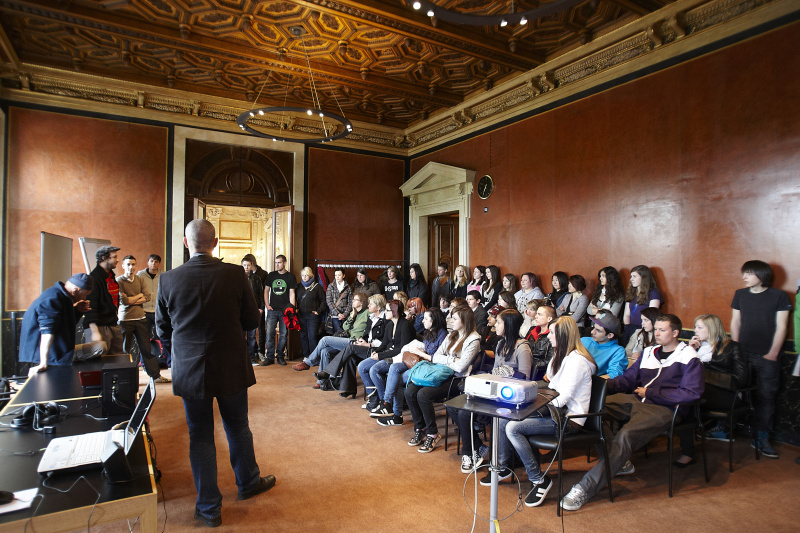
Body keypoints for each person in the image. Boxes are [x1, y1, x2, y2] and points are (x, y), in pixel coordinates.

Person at [156, 219, 274, 528]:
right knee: (237, 428)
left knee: (200, 436)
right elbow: (251, 321)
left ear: (186, 243)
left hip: (189, 369)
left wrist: (176, 353)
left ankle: (209, 508)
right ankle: (248, 484)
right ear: (216, 242)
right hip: (231, 365)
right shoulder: (235, 274)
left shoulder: (168, 279)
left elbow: (161, 329)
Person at [561, 314, 703, 512]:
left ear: (675, 333)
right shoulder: (649, 352)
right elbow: (627, 380)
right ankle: (620, 462)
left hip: (665, 409)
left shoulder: (689, 357)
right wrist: (593, 384)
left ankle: (586, 488)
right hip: (637, 399)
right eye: (656, 329)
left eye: (662, 330)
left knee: (626, 435)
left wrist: (651, 392)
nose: (656, 333)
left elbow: (691, 393)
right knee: (591, 410)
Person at [483, 317, 596, 508]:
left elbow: (562, 398)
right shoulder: (561, 355)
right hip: (554, 410)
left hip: (568, 419)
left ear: (563, 335)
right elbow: (551, 384)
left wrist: (532, 405)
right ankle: (503, 467)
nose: (548, 336)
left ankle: (539, 480)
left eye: (552, 333)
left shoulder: (577, 361)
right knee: (504, 417)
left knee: (513, 428)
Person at [455, 309, 532, 473]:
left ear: (508, 326)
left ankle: (474, 454)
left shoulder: (523, 347)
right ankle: (476, 449)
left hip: (511, 398)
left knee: (464, 413)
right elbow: (496, 372)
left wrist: (508, 373)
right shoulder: (500, 344)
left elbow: (525, 378)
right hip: (495, 392)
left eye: (498, 322)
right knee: (456, 407)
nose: (495, 325)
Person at [730, 260, 791, 458]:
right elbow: (735, 322)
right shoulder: (740, 294)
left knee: (766, 398)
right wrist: (736, 351)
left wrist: (772, 354)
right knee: (735, 393)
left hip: (767, 357)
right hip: (743, 355)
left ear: (761, 274)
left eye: (748, 273)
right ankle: (727, 430)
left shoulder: (779, 296)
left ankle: (761, 438)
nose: (744, 277)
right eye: (744, 273)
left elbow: (782, 326)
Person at [673, 314, 748, 466]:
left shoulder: (732, 347)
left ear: (712, 329)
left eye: (700, 327)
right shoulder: (697, 348)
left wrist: (704, 371)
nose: (695, 330)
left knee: (688, 396)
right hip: (701, 392)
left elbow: (741, 379)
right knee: (685, 400)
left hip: (728, 394)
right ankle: (687, 451)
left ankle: (688, 450)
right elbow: (678, 371)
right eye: (695, 327)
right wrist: (690, 351)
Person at [405, 304, 481, 453]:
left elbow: (461, 368)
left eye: (454, 318)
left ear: (464, 320)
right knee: (410, 391)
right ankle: (420, 427)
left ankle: (433, 434)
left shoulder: (473, 340)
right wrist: (452, 360)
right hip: (440, 372)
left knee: (423, 394)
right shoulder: (451, 335)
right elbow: (436, 356)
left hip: (457, 380)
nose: (450, 321)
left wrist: (447, 359)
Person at [365, 307, 448, 425]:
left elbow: (438, 358)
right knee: (394, 368)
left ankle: (395, 413)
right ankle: (387, 403)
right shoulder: (428, 332)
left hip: (430, 368)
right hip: (420, 362)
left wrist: (420, 353)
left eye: (425, 318)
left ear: (434, 320)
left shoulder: (443, 335)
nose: (422, 321)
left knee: (397, 378)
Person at [19, 273, 104, 375]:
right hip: (50, 355)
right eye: (85, 294)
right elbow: (47, 333)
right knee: (100, 347)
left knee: (101, 346)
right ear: (75, 290)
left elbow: (63, 325)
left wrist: (77, 311)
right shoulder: (52, 299)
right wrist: (43, 363)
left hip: (59, 351)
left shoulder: (62, 297)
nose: (85, 298)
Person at [349, 299, 416, 404]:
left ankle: (383, 401)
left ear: (395, 312)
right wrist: (376, 352)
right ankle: (373, 398)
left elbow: (402, 349)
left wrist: (380, 355)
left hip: (398, 358)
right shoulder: (389, 324)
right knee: (362, 366)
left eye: (387, 310)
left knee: (374, 370)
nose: (385, 312)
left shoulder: (405, 325)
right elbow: (384, 344)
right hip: (387, 355)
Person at [117, 255, 169, 383]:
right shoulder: (119, 281)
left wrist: (132, 299)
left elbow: (147, 296)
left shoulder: (139, 280)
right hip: (125, 320)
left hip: (140, 318)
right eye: (128, 264)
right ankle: (123, 378)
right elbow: (124, 301)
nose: (131, 267)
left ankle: (155, 376)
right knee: (124, 351)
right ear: (123, 266)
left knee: (147, 349)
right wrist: (137, 297)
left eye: (133, 264)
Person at [303, 291, 372, 386]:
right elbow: (345, 327)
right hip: (347, 339)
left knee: (325, 340)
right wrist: (352, 316)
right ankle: (321, 382)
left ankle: (308, 362)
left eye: (355, 300)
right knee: (325, 351)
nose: (353, 301)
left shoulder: (367, 313)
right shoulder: (354, 312)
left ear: (361, 302)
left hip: (355, 342)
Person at [85, 244, 124, 354]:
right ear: (104, 258)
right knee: (100, 363)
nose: (117, 260)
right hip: (100, 327)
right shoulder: (94, 278)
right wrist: (94, 331)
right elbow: (90, 307)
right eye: (114, 257)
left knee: (116, 360)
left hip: (113, 323)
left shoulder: (110, 276)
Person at [262, 254, 297, 366]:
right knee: (269, 334)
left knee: (283, 334)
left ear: (284, 263)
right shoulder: (271, 275)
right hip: (272, 310)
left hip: (284, 311)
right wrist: (267, 305)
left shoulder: (290, 277)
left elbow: (292, 293)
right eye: (276, 262)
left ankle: (281, 356)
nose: (277, 264)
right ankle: (270, 357)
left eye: (279, 262)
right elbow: (266, 291)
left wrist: (291, 308)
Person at [137, 254, 169, 368]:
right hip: (144, 310)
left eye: (156, 261)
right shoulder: (140, 275)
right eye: (151, 261)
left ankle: (166, 361)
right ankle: (144, 362)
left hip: (158, 311)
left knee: (163, 336)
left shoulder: (163, 275)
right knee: (144, 339)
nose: (153, 264)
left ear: (159, 263)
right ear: (148, 262)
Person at [580, 310, 628, 378]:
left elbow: (614, 375)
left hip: (591, 385)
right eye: (594, 328)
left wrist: (588, 382)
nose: (592, 332)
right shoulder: (583, 340)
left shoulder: (618, 351)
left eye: (598, 330)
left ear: (610, 335)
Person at [622, 265, 661, 344]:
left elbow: (651, 315)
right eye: (631, 276)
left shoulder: (653, 293)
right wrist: (628, 327)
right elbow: (626, 314)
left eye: (634, 276)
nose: (631, 279)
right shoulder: (631, 293)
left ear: (643, 278)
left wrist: (642, 330)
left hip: (643, 329)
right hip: (630, 328)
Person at [295, 266, 327, 361]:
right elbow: (295, 299)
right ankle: (306, 356)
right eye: (303, 275)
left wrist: (318, 311)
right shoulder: (298, 286)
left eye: (306, 275)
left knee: (312, 336)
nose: (304, 277)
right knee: (303, 336)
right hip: (301, 315)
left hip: (313, 316)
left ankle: (314, 357)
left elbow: (323, 301)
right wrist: (295, 308)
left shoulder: (317, 287)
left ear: (311, 276)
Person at [242, 256, 265, 366]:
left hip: (253, 310)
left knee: (251, 336)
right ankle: (241, 359)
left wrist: (261, 307)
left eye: (248, 265)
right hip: (241, 311)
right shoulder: (237, 278)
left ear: (252, 266)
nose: (246, 267)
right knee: (241, 336)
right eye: (244, 265)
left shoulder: (256, 279)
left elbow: (261, 295)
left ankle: (252, 359)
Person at [527, 305, 557, 380]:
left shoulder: (553, 336)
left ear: (549, 318)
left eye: (539, 314)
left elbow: (550, 360)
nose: (536, 316)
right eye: (536, 314)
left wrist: (529, 363)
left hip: (539, 372)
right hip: (526, 365)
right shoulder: (532, 330)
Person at [326, 269, 352, 333]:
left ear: (343, 276)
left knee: (345, 333)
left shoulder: (348, 287)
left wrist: (344, 314)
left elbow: (350, 302)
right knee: (336, 333)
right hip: (335, 315)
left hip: (345, 316)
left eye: (339, 275)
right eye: (335, 275)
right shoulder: (331, 286)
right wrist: (337, 313)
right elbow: (329, 301)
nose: (337, 277)